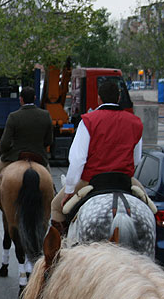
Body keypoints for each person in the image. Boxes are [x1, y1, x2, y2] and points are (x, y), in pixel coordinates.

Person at [50, 80, 144, 233]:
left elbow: (77, 160)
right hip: (124, 179)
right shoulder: (135, 122)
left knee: (56, 207)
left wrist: (69, 190)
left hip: (92, 180)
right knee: (151, 208)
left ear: (99, 98)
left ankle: (61, 253)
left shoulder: (88, 120)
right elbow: (137, 159)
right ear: (119, 98)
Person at [0, 86, 53, 217]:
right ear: (35, 99)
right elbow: (49, 141)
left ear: (21, 99)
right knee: (50, 182)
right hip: (39, 156)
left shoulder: (14, 116)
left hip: (15, 155)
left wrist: (2, 148)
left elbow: (6, 143)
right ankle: (52, 208)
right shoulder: (45, 115)